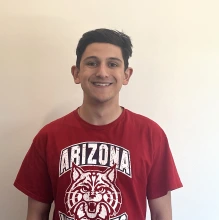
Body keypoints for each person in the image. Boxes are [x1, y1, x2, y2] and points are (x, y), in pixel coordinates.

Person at [14, 28, 182, 220]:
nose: (102, 72)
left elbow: (162, 214)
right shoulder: (48, 136)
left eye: (112, 64)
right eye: (92, 63)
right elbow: (36, 214)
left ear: (126, 75)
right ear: (76, 73)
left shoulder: (151, 135)